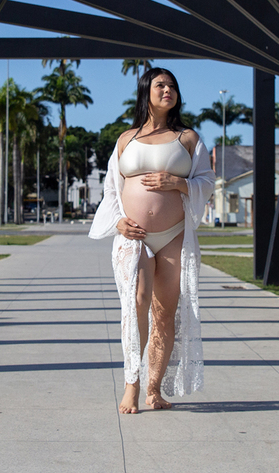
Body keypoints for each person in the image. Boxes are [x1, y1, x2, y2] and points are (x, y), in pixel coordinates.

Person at [89, 68, 215, 414]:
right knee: (137, 302)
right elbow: (111, 190)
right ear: (146, 91)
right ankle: (131, 384)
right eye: (161, 85)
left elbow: (207, 181)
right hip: (135, 237)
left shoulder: (188, 138)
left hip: (174, 236)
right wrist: (118, 222)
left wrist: (179, 182)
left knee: (165, 313)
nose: (168, 90)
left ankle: (154, 388)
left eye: (173, 85)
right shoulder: (126, 140)